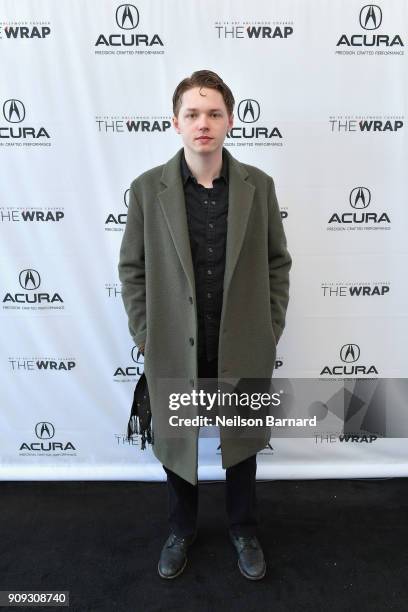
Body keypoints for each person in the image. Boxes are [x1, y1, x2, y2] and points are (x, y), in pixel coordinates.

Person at [118, 70, 291, 580]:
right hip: (175, 344)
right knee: (178, 439)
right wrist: (145, 333)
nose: (203, 123)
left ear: (230, 121)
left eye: (214, 113)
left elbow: (277, 263)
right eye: (192, 114)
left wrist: (270, 326)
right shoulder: (148, 189)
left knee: (240, 444)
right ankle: (182, 529)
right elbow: (133, 269)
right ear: (176, 122)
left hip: (241, 342)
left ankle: (244, 529)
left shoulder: (258, 186)